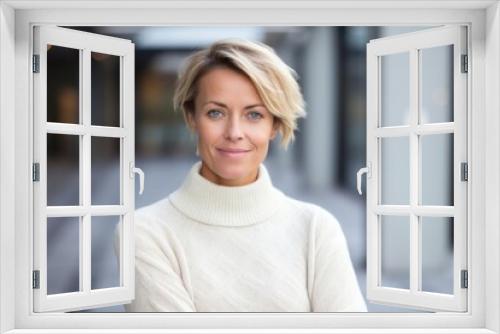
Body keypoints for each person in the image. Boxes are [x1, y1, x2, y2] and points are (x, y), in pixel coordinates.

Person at [114, 39, 367, 312]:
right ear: (191, 118)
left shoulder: (316, 229)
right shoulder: (144, 233)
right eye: (215, 112)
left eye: (254, 115)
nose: (234, 132)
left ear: (275, 125)